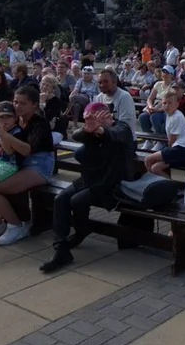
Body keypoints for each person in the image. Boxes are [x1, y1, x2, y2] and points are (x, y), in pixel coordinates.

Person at [40, 103, 131, 273]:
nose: (92, 120)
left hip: (111, 183)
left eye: (96, 116)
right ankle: (61, 249)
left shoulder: (121, 126)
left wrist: (102, 129)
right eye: (89, 117)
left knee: (76, 200)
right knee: (60, 199)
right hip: (88, 180)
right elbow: (76, 135)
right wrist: (90, 129)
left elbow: (117, 135)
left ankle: (82, 230)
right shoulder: (89, 133)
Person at [0, 86, 56, 246]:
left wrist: (4, 135)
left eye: (23, 103)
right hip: (15, 164)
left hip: (37, 166)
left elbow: (27, 150)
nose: (17, 106)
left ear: (34, 104)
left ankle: (15, 225)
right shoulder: (14, 119)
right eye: (15, 102)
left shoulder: (39, 123)